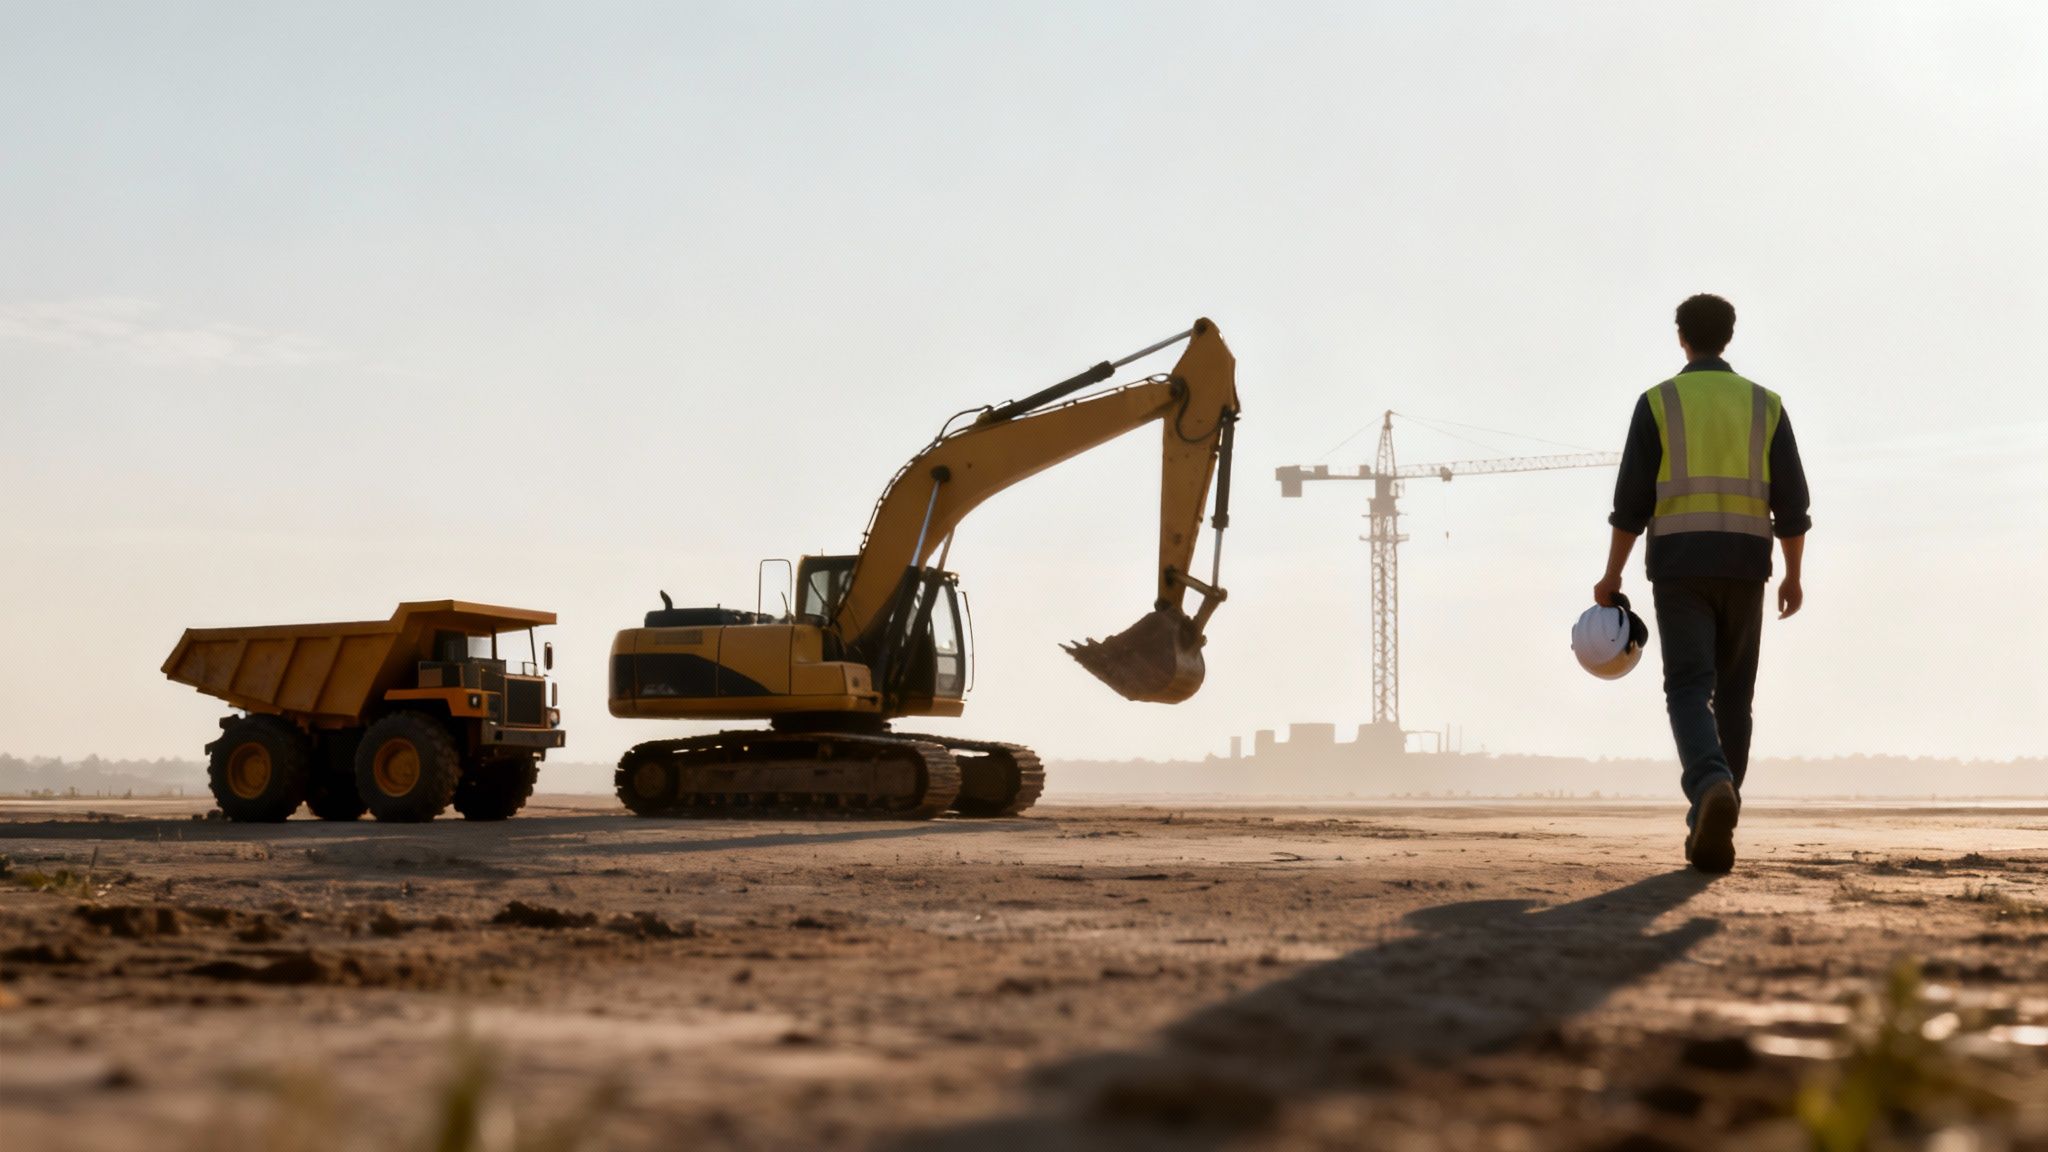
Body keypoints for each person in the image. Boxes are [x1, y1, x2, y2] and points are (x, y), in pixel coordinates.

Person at [1594, 294, 1811, 873]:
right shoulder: (1766, 405)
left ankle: (1711, 785)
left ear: (1681, 339)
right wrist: (1793, 573)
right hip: (1746, 565)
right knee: (1735, 696)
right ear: (1729, 337)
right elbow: (1793, 503)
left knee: (1689, 687)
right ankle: (1714, 819)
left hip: (1681, 566)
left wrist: (1612, 576)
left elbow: (1629, 504)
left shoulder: (1659, 402)